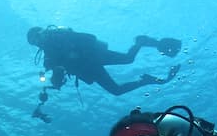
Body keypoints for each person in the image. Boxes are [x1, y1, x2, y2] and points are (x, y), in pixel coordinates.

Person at [28, 25, 181, 96]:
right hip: (90, 70)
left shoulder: (60, 36)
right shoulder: (48, 58)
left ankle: (141, 42)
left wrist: (74, 53)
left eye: (37, 36)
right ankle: (147, 80)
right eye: (34, 42)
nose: (38, 41)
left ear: (42, 32)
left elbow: (88, 38)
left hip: (94, 56)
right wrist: (51, 85)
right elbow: (56, 77)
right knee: (116, 91)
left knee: (128, 59)